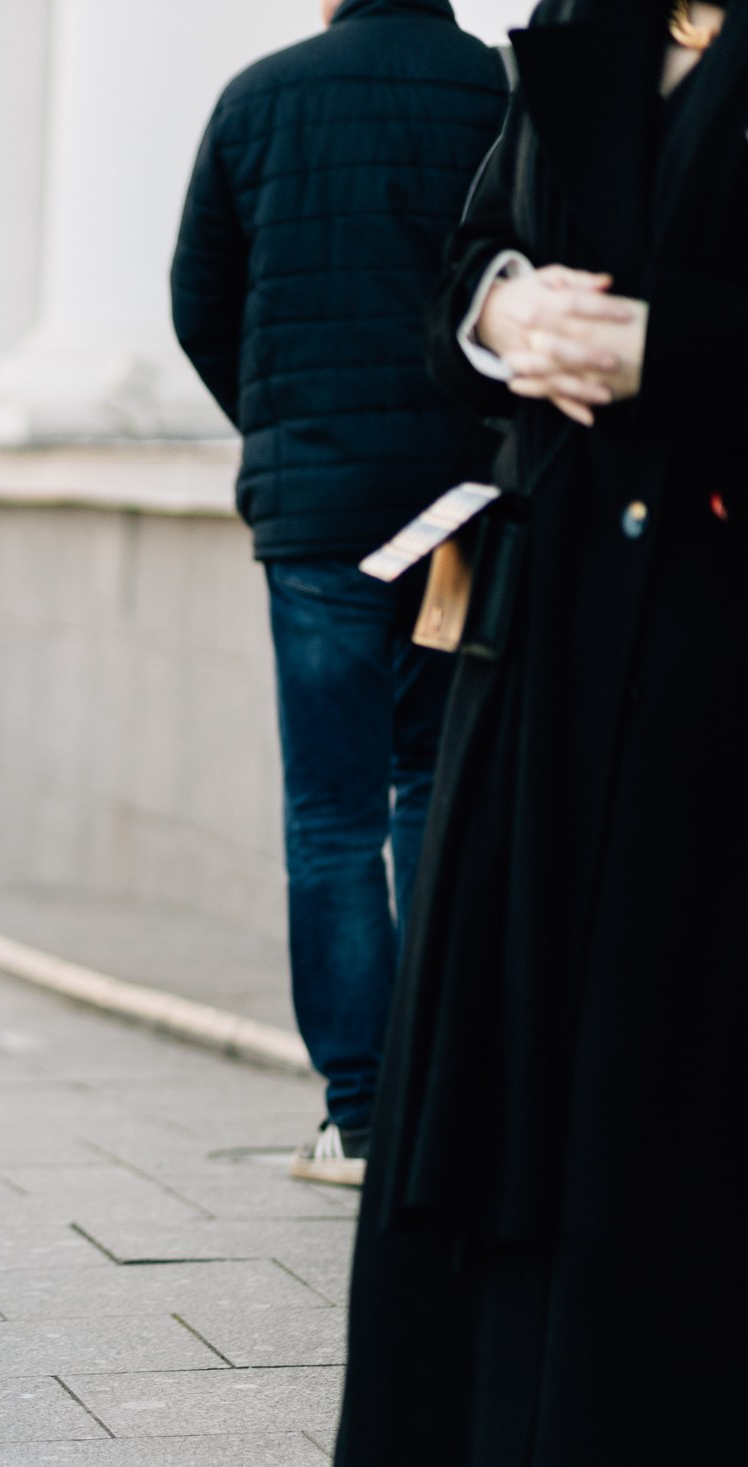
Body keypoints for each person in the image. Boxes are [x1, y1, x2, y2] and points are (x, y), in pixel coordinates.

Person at [339, 3, 747, 1460]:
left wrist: (671, 345)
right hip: (548, 658)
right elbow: (471, 261)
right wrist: (506, 312)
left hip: (712, 670)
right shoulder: (588, 24)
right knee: (512, 1089)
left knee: (672, 1100)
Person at [169, 0, 510, 1186]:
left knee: (330, 815)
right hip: (461, 502)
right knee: (433, 786)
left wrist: (283, 426)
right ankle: (438, 1102)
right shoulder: (498, 88)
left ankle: (358, 1117)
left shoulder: (258, 97)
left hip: (318, 514)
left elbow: (199, 302)